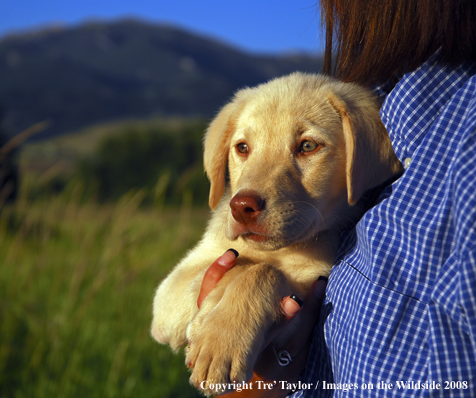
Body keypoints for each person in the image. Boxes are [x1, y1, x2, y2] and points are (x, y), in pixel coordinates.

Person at [196, 0, 476, 396]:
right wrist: (260, 378)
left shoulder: (458, 142)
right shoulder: (376, 96)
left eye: (306, 146)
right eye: (243, 150)